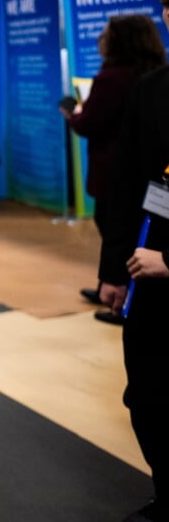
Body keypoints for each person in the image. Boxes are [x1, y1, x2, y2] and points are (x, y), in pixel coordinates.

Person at [98, 0, 169, 522]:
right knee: (146, 399)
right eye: (167, 1)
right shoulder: (151, 90)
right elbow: (127, 186)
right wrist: (114, 270)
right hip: (146, 276)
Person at [63, 16, 166, 324]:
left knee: (115, 223)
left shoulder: (114, 79)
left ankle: (121, 293)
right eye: (164, 2)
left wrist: (74, 116)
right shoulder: (150, 77)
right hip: (149, 183)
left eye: (106, 35)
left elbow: (93, 122)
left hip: (118, 172)